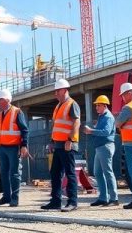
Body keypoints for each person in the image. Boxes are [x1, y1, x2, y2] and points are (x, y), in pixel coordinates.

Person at [40, 78, 81, 212]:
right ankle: (56, 201)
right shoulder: (58, 106)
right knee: (55, 173)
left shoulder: (72, 104)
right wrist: (52, 141)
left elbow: (76, 122)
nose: (55, 93)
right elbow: (56, 126)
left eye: (57, 91)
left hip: (67, 145)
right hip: (58, 145)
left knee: (70, 173)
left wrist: (70, 140)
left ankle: (72, 202)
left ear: (64, 90)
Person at [0, 89, 29, 207]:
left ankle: (15, 198)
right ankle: (6, 197)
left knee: (14, 174)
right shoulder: (0, 114)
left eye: (0, 100)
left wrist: (24, 146)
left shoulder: (17, 112)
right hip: (2, 148)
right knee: (4, 173)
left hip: (13, 148)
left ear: (7, 100)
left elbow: (24, 130)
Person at [83, 95, 119, 207]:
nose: (96, 107)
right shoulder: (102, 117)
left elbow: (106, 132)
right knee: (98, 172)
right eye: (96, 105)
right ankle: (103, 197)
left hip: (105, 146)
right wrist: (94, 128)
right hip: (100, 147)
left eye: (98, 105)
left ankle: (114, 198)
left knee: (108, 172)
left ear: (104, 105)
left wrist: (91, 131)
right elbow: (102, 130)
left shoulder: (108, 117)